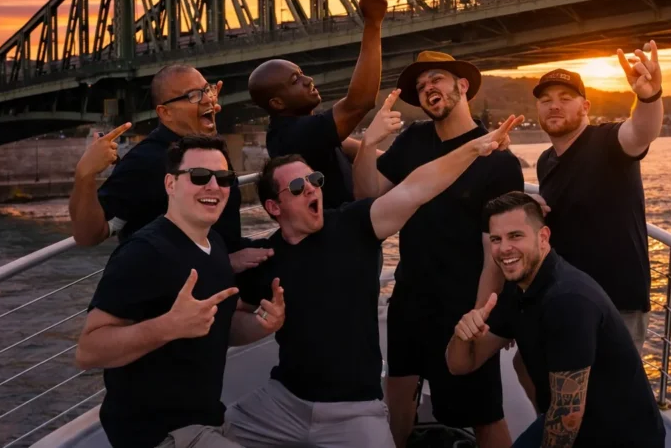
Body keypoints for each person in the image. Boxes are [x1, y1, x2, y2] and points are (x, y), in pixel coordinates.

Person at [226, 114, 523, 448]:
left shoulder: (354, 227)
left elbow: (415, 188)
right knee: (214, 436)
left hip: (354, 411)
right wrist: (260, 325)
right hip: (284, 402)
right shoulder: (264, 258)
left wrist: (473, 149)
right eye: (297, 187)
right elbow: (229, 318)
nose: (311, 188)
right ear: (273, 206)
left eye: (315, 179)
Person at [353, 51, 524, 448]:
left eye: (436, 79)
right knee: (397, 395)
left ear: (462, 86)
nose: (428, 88)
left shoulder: (498, 160)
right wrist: (368, 144)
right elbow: (367, 195)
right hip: (411, 295)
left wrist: (481, 317)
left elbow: (496, 251)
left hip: (463, 306)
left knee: (484, 413)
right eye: (420, 85)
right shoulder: (413, 140)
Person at [75, 135, 286, 448]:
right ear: (170, 184)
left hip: (208, 420)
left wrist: (262, 325)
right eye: (200, 177)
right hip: (158, 434)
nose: (214, 186)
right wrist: (167, 327)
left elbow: (217, 329)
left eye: (223, 177)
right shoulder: (144, 253)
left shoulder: (213, 243)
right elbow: (88, 351)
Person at [446, 192, 666, 448]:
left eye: (516, 236)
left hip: (620, 439)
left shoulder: (567, 301)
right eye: (496, 239)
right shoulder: (517, 290)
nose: (504, 248)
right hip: (572, 426)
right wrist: (462, 335)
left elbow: (567, 416)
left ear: (543, 237)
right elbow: (461, 365)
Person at [68, 64, 272, 273]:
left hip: (222, 272)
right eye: (193, 95)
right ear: (165, 113)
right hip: (179, 284)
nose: (208, 99)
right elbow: (88, 235)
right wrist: (85, 174)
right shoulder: (145, 161)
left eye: (207, 90)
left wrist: (204, 111)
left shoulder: (208, 146)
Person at [532, 41, 664, 351]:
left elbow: (641, 132)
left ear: (585, 107)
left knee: (611, 395)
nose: (554, 106)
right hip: (564, 297)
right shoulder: (545, 161)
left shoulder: (608, 142)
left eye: (566, 99)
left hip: (616, 303)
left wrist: (649, 96)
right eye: (546, 100)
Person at [248, 0, 387, 210]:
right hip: (336, 240)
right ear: (277, 103)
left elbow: (360, 150)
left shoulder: (304, 131)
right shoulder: (294, 136)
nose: (309, 80)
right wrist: (373, 24)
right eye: (295, 80)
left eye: (302, 73)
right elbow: (359, 104)